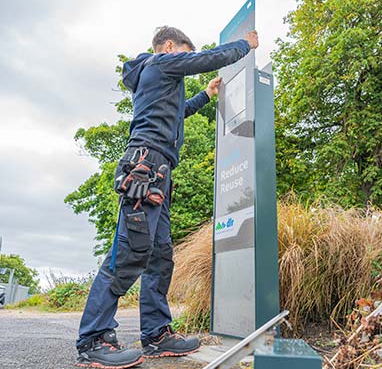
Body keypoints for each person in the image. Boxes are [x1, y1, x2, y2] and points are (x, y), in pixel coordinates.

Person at [75, 26, 259, 369]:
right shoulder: (161, 64)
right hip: (145, 166)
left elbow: (178, 113)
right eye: (185, 53)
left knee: (160, 256)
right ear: (170, 46)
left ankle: (157, 335)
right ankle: (94, 338)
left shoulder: (157, 80)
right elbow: (208, 58)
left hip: (159, 170)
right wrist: (244, 46)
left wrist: (205, 94)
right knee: (130, 252)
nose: (186, 60)